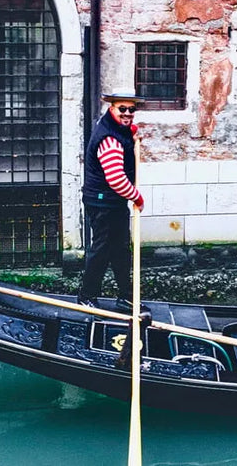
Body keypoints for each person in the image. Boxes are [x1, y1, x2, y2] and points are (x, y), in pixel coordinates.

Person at [78, 89, 147, 313]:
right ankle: (86, 297)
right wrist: (136, 197)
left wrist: (132, 132)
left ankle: (126, 298)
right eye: (123, 109)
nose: (128, 114)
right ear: (112, 108)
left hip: (112, 201)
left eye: (132, 110)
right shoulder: (109, 140)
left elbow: (125, 133)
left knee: (120, 251)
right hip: (102, 202)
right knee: (102, 249)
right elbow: (116, 179)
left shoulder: (117, 128)